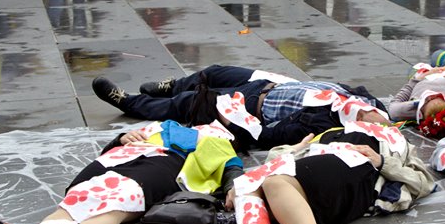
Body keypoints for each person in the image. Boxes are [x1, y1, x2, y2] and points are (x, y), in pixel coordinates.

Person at [209, 126, 434, 224]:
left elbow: (423, 182)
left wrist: (382, 161)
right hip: (307, 173)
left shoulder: (392, 139)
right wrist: (295, 148)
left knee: (272, 181)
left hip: (353, 169)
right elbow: (274, 159)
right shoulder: (328, 134)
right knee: (249, 184)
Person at [0, 120, 244, 224]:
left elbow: (232, 168)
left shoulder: (218, 140)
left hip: (165, 164)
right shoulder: (163, 124)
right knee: (76, 198)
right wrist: (121, 138)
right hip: (121, 157)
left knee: (115, 205)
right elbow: (117, 143)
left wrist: (234, 187)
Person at [91, 65, 389, 149]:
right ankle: (175, 83)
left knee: (187, 104)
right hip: (267, 83)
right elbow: (382, 105)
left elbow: (270, 136)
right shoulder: (359, 99)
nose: (364, 111)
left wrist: (231, 122)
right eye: (370, 112)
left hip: (249, 107)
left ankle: (130, 102)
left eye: (366, 118)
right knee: (216, 72)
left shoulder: (321, 123)